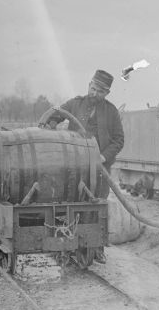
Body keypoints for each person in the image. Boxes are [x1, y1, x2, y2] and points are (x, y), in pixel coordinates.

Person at [49, 69, 124, 263]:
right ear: (89, 84)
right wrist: (50, 124)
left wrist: (103, 157)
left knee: (97, 208)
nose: (94, 93)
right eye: (93, 88)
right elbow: (56, 114)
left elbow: (118, 140)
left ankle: (97, 248)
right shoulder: (75, 104)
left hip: (100, 171)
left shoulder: (111, 111)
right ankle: (65, 246)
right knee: (70, 207)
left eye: (99, 91)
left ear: (106, 93)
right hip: (74, 170)